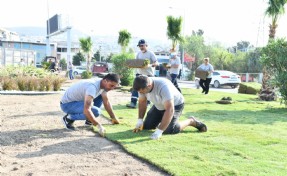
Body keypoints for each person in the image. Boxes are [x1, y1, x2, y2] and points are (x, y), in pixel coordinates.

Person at [132, 75, 207, 140]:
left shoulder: (164, 87)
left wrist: (159, 131)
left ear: (149, 86)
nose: (140, 93)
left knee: (169, 130)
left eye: (142, 92)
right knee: (147, 126)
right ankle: (163, 121)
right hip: (159, 105)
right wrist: (140, 119)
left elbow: (169, 110)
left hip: (175, 105)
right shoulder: (142, 85)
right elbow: (142, 101)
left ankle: (191, 121)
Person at [126, 39, 158, 108]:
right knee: (135, 88)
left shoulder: (150, 53)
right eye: (139, 46)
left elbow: (156, 63)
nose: (141, 47)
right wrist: (131, 65)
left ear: (146, 45)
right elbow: (136, 63)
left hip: (149, 75)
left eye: (142, 45)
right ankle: (133, 103)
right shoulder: (138, 53)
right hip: (139, 74)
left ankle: (147, 103)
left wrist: (149, 65)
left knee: (147, 89)